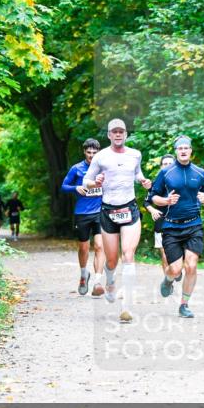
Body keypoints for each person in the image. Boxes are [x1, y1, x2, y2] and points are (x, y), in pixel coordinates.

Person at [84, 118, 153, 323]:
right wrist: (94, 182)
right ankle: (110, 280)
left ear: (126, 134)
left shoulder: (135, 154)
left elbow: (137, 173)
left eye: (121, 131)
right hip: (108, 211)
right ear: (108, 135)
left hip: (129, 208)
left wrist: (143, 180)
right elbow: (86, 181)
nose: (118, 134)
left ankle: (127, 306)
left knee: (128, 254)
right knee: (112, 260)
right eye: (114, 131)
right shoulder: (101, 157)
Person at [150, 135, 204, 318]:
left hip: (194, 225)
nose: (183, 151)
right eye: (180, 148)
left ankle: (184, 305)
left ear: (191, 150)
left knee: (191, 266)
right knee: (176, 269)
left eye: (186, 148)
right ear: (176, 151)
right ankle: (168, 279)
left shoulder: (200, 173)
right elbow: (153, 197)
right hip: (171, 227)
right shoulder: (166, 172)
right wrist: (166, 201)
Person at [61, 138, 106, 296]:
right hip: (82, 213)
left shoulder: (104, 168)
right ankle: (83, 274)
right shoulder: (77, 168)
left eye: (94, 152)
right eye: (89, 152)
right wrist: (76, 188)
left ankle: (98, 282)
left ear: (99, 152)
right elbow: (64, 186)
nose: (91, 155)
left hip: (100, 212)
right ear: (84, 152)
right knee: (83, 247)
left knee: (100, 246)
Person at [144, 154, 181, 281]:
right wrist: (153, 210)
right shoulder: (156, 184)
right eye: (165, 164)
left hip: (180, 223)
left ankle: (176, 269)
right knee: (165, 254)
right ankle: (168, 281)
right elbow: (146, 202)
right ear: (161, 167)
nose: (167, 166)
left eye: (170, 164)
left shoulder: (182, 182)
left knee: (180, 252)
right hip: (162, 222)